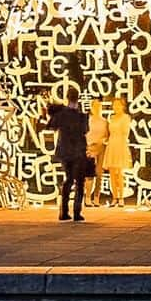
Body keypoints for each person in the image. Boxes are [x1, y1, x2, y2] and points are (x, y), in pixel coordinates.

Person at [43, 87, 89, 221]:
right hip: (78, 151)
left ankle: (63, 212)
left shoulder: (61, 114)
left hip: (64, 151)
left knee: (68, 179)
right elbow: (85, 131)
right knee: (79, 182)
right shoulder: (81, 116)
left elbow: (50, 126)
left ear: (67, 98)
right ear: (78, 98)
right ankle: (76, 212)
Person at [104, 97, 132, 207]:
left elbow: (126, 132)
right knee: (112, 173)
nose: (116, 107)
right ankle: (114, 197)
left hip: (120, 144)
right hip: (111, 144)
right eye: (114, 105)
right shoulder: (111, 118)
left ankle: (121, 198)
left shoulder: (126, 117)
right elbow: (109, 132)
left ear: (122, 106)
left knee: (119, 173)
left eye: (118, 105)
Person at [85, 100, 109, 206]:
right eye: (95, 107)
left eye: (99, 107)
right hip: (90, 147)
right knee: (89, 174)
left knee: (99, 173)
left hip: (101, 148)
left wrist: (104, 140)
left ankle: (96, 197)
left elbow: (108, 135)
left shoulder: (104, 121)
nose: (97, 109)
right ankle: (87, 197)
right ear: (91, 108)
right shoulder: (87, 120)